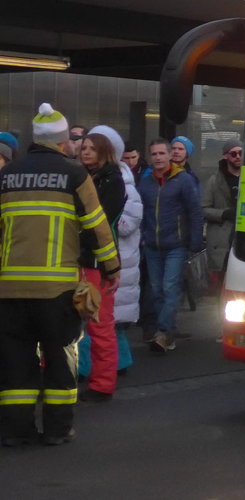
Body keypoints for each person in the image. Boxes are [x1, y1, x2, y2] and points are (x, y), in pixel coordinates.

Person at [0, 103, 119, 447]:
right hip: (57, 291)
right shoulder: (74, 174)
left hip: (9, 291)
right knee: (61, 358)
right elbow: (97, 227)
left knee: (16, 363)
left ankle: (16, 431)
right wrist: (111, 268)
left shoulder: (7, 176)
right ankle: (57, 429)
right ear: (62, 141)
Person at [138, 138, 203, 353]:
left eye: (161, 153)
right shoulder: (146, 182)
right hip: (152, 244)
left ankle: (163, 331)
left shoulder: (182, 180)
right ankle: (167, 334)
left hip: (176, 243)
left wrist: (194, 241)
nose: (157, 158)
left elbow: (194, 211)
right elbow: (140, 212)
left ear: (169, 156)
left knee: (169, 287)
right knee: (156, 290)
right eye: (154, 154)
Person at [76, 130, 127, 401]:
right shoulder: (84, 177)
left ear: (104, 152)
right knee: (77, 324)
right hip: (80, 259)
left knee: (99, 323)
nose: (85, 152)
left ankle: (103, 383)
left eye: (92, 148)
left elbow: (102, 223)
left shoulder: (112, 181)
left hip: (98, 262)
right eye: (83, 147)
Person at [89, 126, 142, 377]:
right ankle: (113, 365)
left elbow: (128, 222)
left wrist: (105, 222)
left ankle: (110, 368)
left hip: (119, 259)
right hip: (111, 257)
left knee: (108, 322)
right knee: (107, 321)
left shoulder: (124, 184)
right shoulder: (96, 178)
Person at [202, 139, 241, 283]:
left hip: (243, 239)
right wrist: (223, 214)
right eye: (233, 153)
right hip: (222, 239)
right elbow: (204, 209)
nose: (238, 156)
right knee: (220, 285)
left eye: (241, 153)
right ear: (226, 156)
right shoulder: (215, 181)